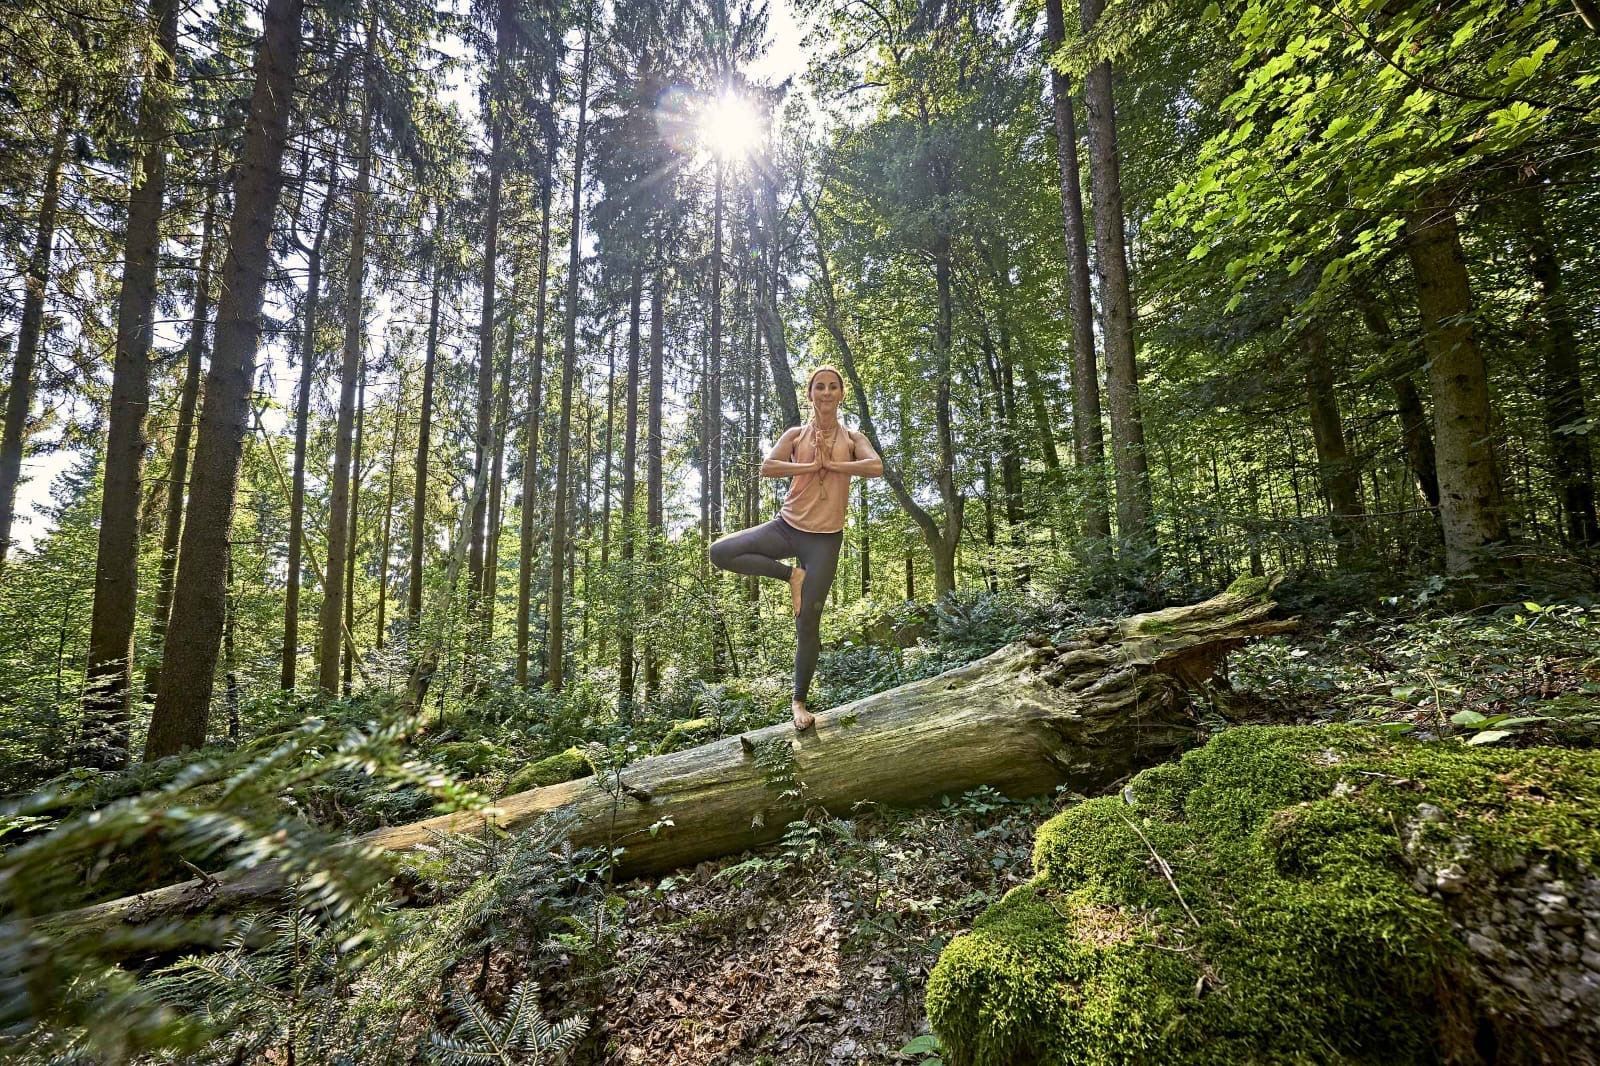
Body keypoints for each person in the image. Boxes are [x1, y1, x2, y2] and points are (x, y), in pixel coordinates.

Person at [709, 366, 884, 730]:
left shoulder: (852, 437)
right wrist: (809, 464)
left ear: (841, 394)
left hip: (825, 539)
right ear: (810, 394)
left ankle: (799, 700)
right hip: (786, 528)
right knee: (720, 552)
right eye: (819, 386)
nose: (826, 392)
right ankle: (792, 575)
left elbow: (876, 466)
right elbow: (768, 467)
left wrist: (833, 464)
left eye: (832, 387)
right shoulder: (795, 434)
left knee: (808, 621)